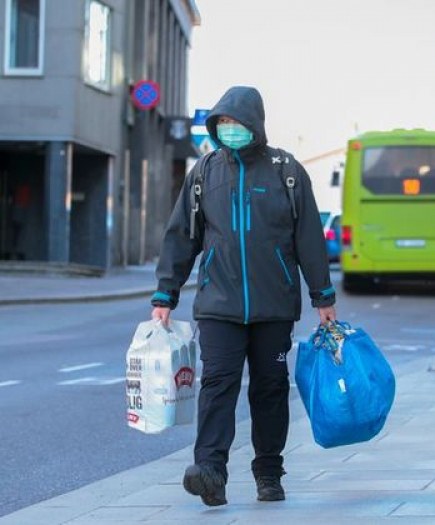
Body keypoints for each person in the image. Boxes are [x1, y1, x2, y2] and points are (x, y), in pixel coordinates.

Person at [150, 86, 336, 506]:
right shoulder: (204, 174)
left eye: (237, 123)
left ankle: (269, 472)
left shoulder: (285, 171)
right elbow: (182, 236)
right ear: (216, 127)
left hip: (274, 305)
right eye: (223, 124)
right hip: (219, 305)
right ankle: (210, 470)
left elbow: (308, 237)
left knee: (270, 388)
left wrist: (322, 296)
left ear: (255, 124)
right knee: (217, 384)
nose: (230, 130)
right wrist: (166, 293)